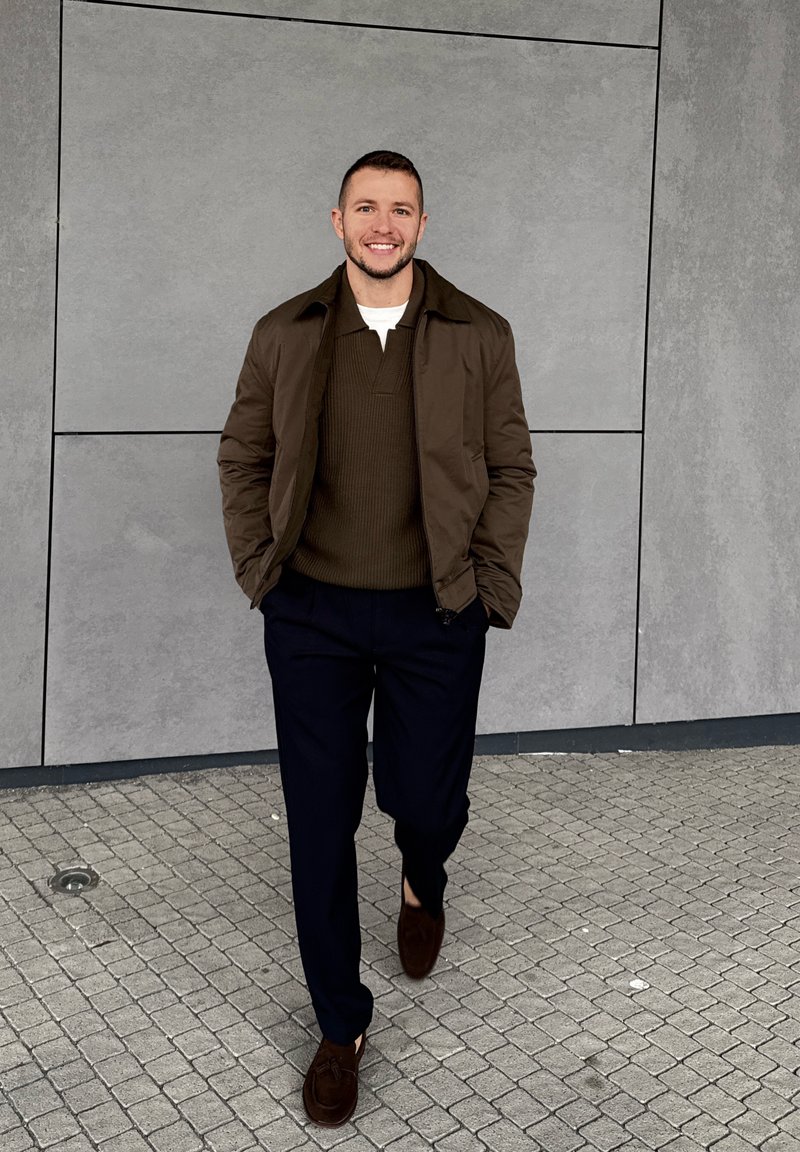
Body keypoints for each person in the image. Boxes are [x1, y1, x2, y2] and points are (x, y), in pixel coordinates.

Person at [218, 150, 535, 1127]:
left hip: (433, 612)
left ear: (422, 225)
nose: (382, 224)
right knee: (319, 822)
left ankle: (421, 876)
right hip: (311, 613)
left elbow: (510, 466)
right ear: (338, 221)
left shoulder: (478, 333)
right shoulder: (286, 332)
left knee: (427, 800)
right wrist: (260, 572)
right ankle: (339, 1025)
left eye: (400, 209)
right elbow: (244, 454)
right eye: (366, 207)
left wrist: (486, 588)